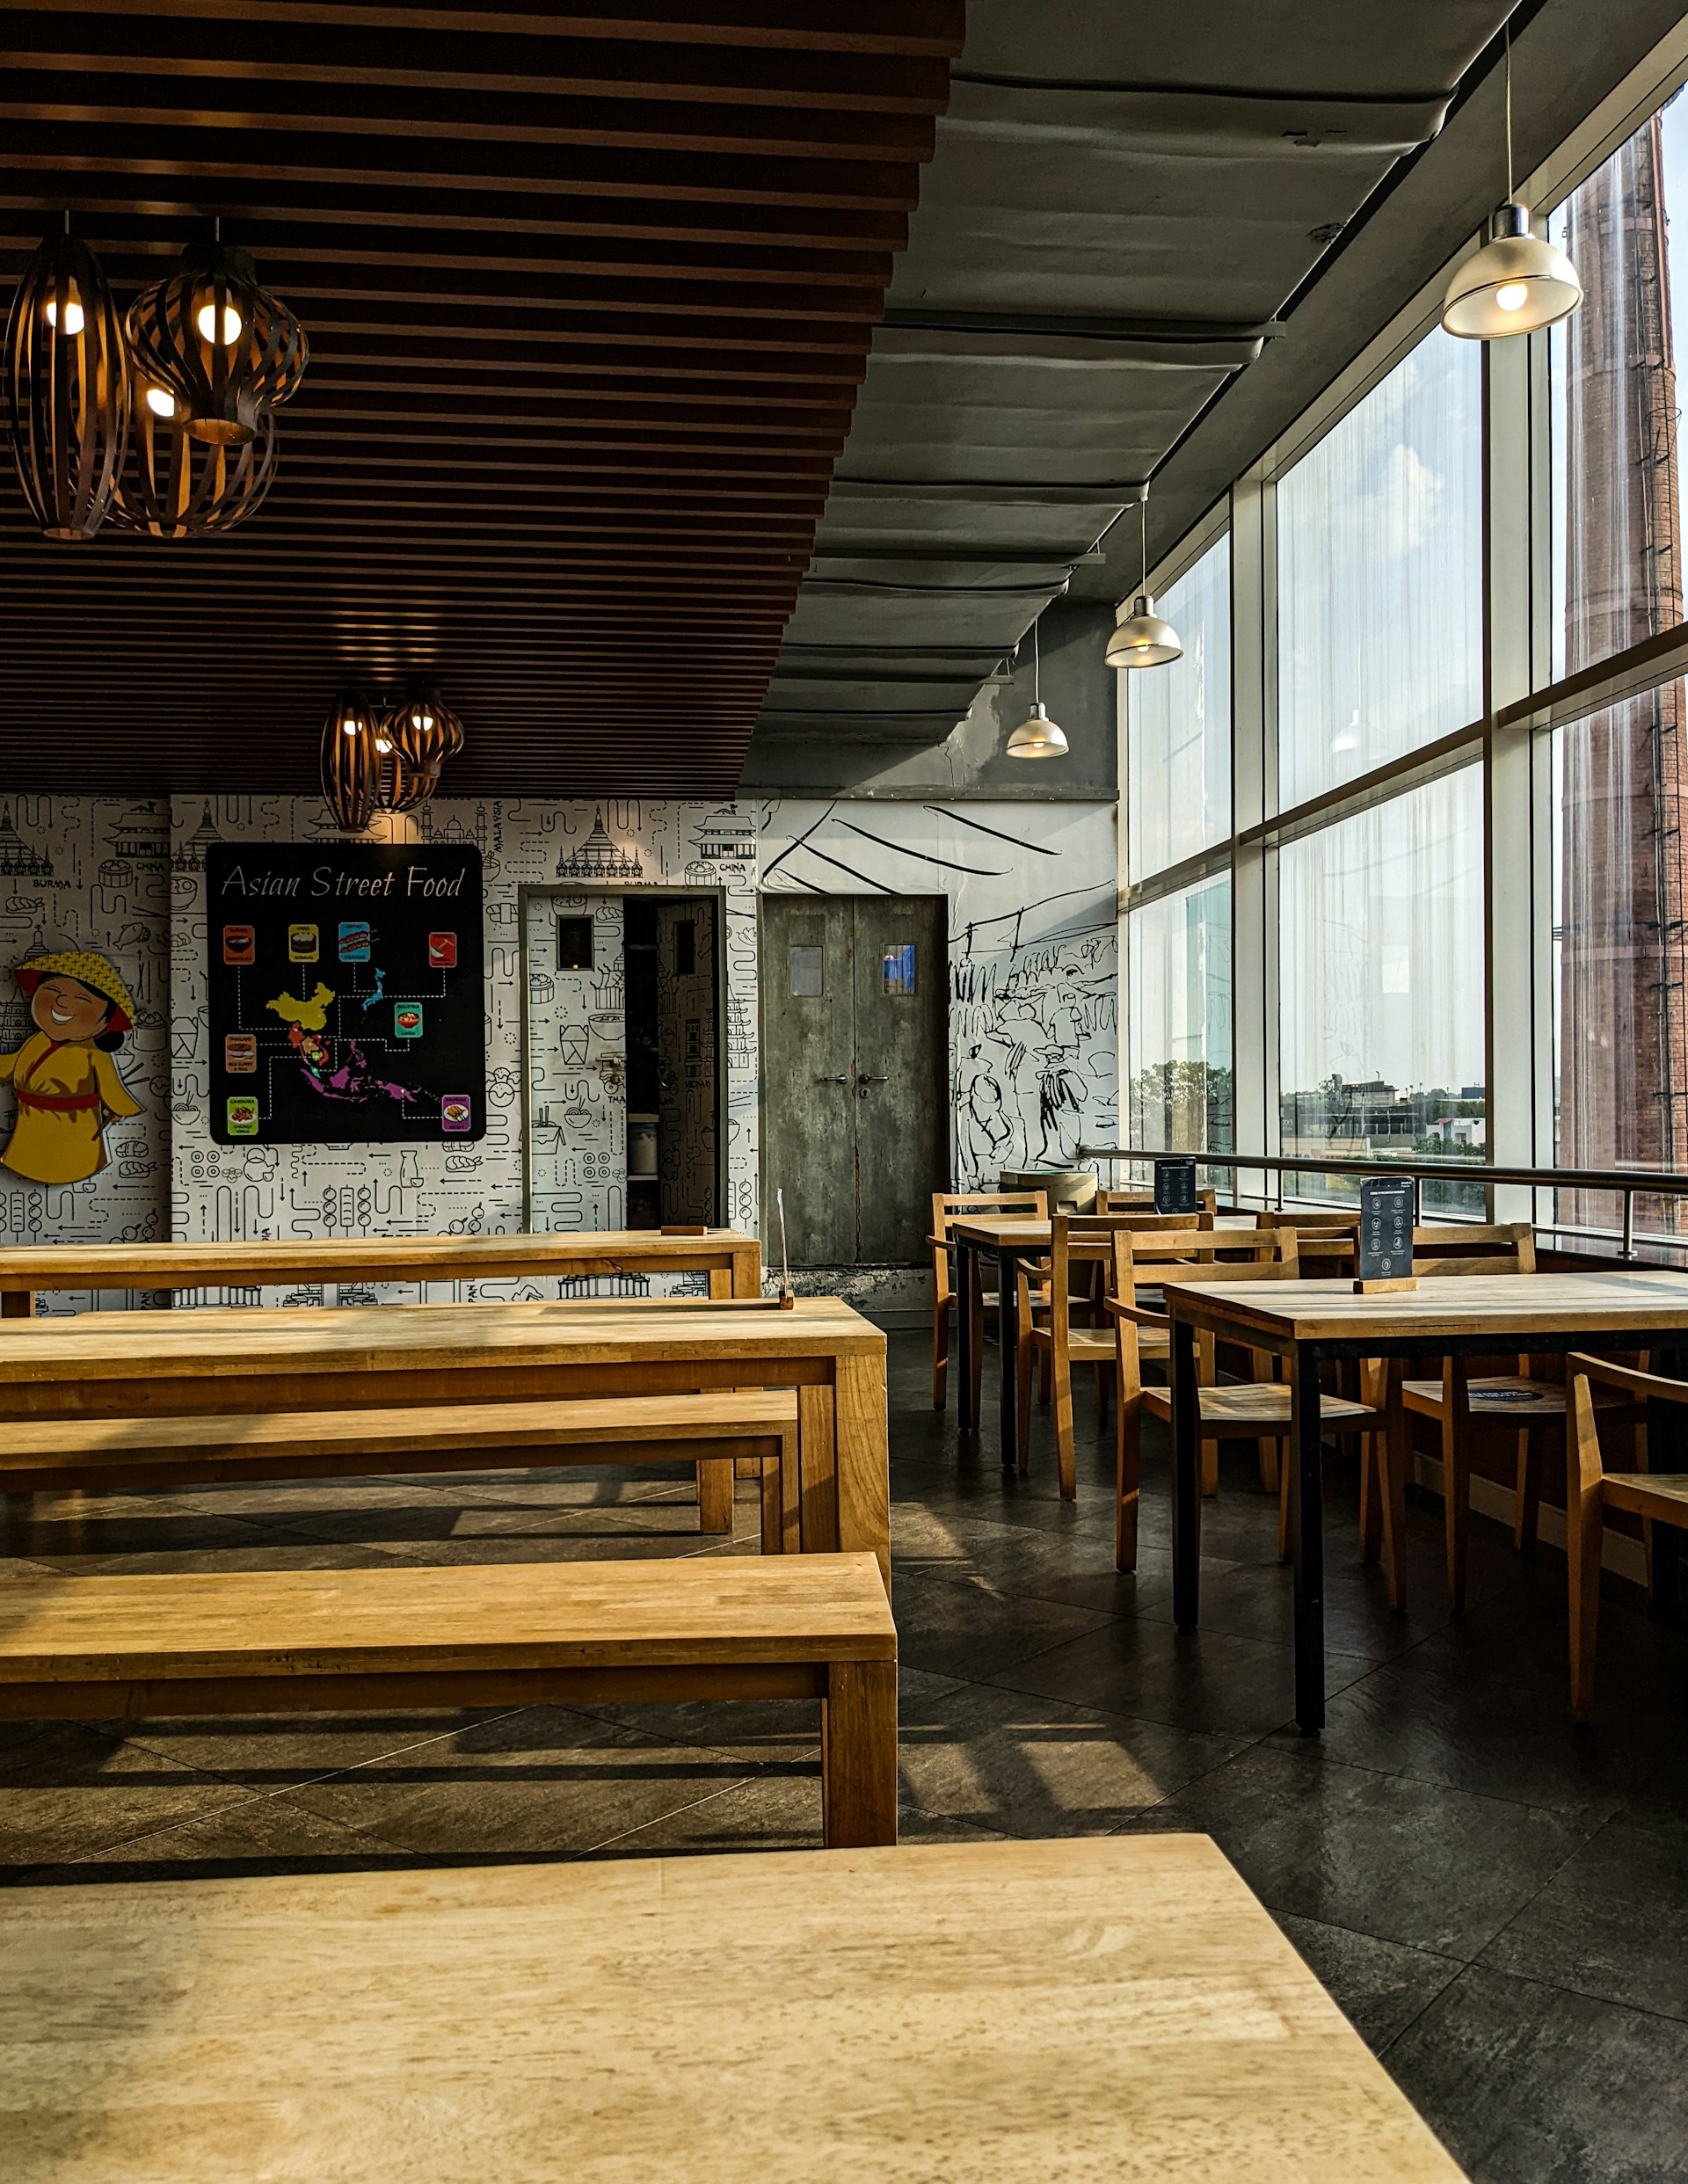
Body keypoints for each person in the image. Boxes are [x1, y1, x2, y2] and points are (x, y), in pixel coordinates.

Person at [0, 950, 142, 1185]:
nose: (62, 1002)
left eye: (82, 999)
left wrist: (119, 1109)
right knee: (30, 1158)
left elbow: (112, 1088)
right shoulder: (36, 1041)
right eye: (53, 991)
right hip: (31, 1125)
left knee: (70, 1162)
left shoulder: (94, 1052)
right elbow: (10, 1066)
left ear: (106, 1019)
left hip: (74, 1127)